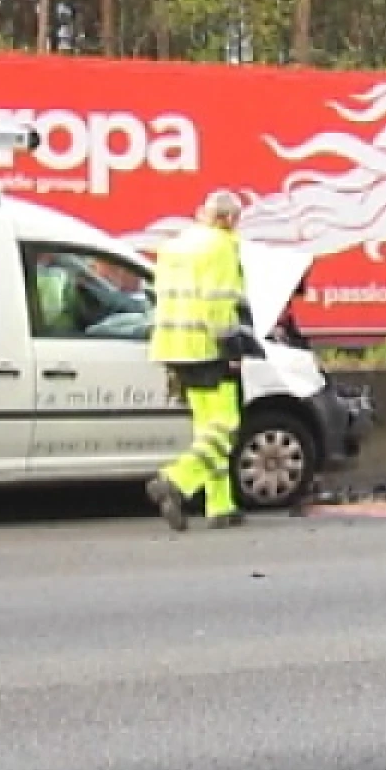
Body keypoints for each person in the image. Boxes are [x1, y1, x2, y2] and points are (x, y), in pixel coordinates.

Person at [146, 189, 251, 532]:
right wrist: (232, 347)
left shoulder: (175, 246)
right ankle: (175, 481)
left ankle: (220, 505)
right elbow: (217, 303)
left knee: (207, 428)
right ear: (229, 219)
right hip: (205, 347)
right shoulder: (221, 246)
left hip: (172, 346)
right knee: (226, 425)